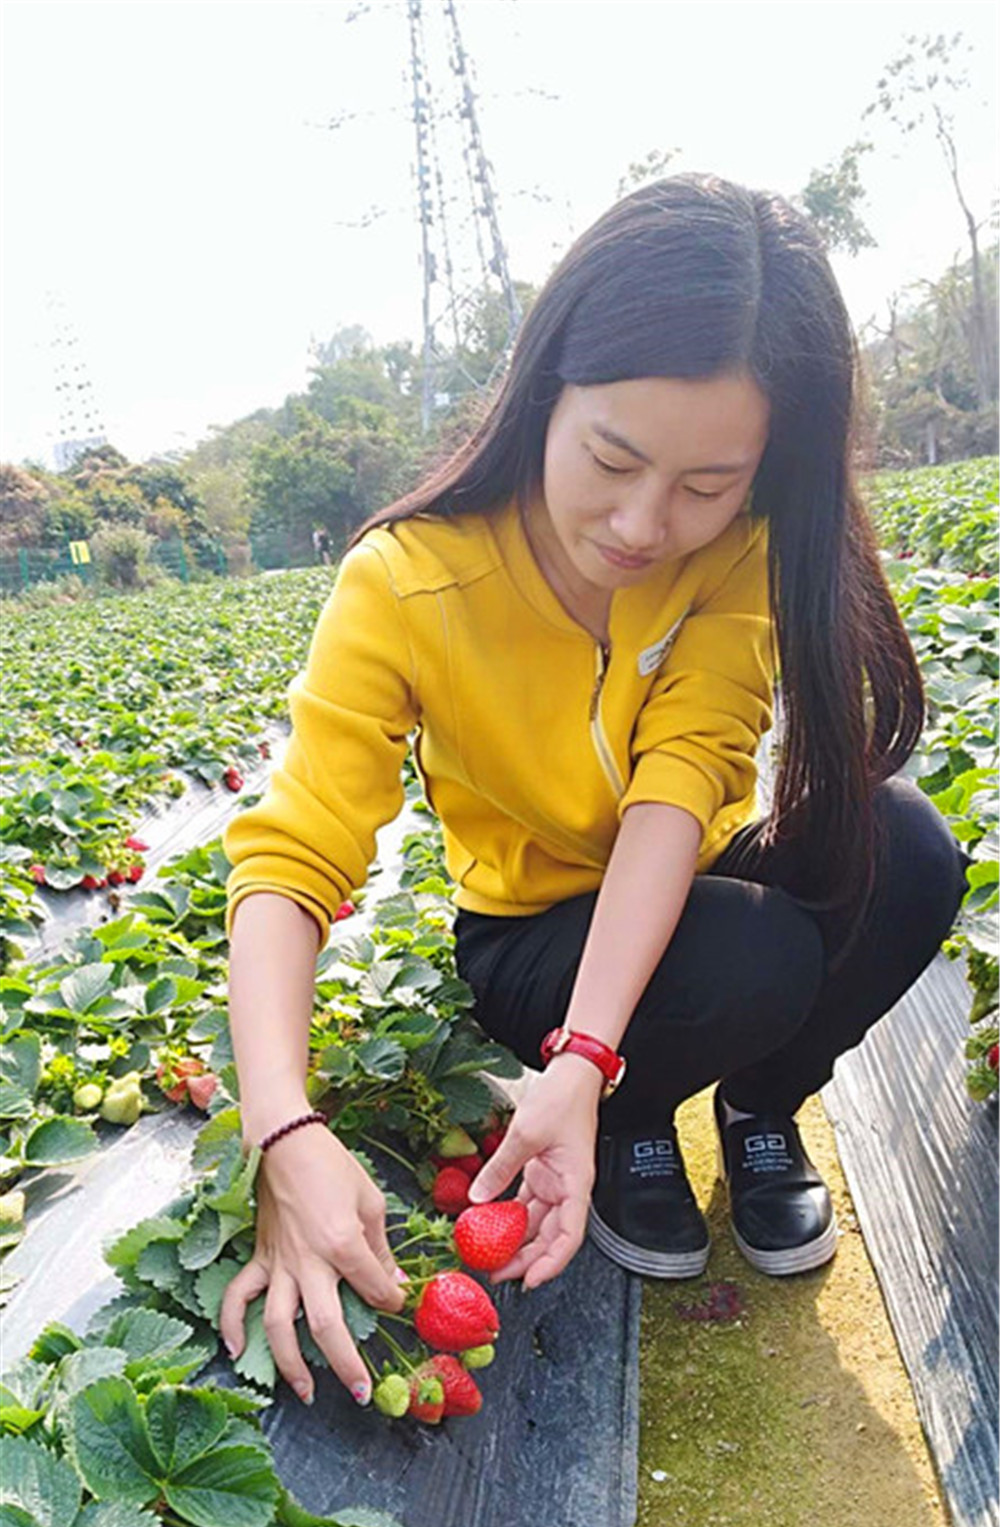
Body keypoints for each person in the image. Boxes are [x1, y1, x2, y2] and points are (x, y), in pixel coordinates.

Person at [218, 173, 970, 1410]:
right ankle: (632, 1123)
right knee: (752, 959)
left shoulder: (740, 556)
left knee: (907, 849)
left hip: (678, 889)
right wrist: (282, 1129)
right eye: (612, 458)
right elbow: (293, 855)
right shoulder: (408, 580)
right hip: (531, 938)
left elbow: (683, 781)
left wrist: (585, 1056)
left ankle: (761, 1106)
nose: (640, 522)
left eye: (705, 484)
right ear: (545, 386)